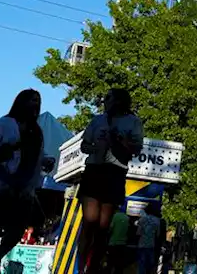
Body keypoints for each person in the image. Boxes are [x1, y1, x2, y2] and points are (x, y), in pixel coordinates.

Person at [0, 89, 54, 274]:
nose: (35, 105)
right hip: (0, 185)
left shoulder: (37, 131)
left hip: (25, 188)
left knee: (16, 230)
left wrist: (45, 161)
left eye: (38, 101)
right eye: (31, 101)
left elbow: (35, 155)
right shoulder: (4, 124)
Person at [75, 89, 143, 274]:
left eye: (109, 99)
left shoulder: (133, 122)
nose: (105, 102)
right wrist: (96, 146)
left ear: (120, 101)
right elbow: (84, 145)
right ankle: (80, 268)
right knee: (89, 221)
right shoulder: (98, 120)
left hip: (115, 171)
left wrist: (119, 140)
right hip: (95, 169)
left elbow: (136, 149)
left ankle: (93, 268)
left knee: (103, 228)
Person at [135, 205, 162, 274]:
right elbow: (158, 235)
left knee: (141, 265)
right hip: (151, 246)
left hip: (141, 245)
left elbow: (138, 233)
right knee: (150, 266)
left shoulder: (142, 219)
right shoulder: (157, 221)